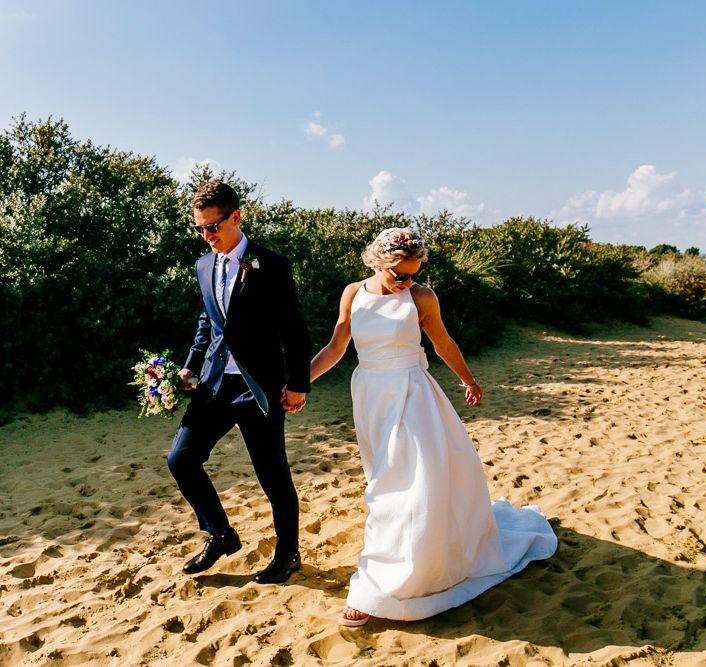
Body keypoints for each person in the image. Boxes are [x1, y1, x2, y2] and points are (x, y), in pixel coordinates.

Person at [310, 227, 558, 626]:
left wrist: (468, 380)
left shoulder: (422, 297)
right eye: (401, 274)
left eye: (415, 273)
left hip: (412, 393)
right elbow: (337, 347)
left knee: (411, 485)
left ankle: (377, 587)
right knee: (384, 481)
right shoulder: (353, 293)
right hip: (371, 394)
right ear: (379, 263)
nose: (409, 281)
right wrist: (300, 383)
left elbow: (442, 343)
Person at [168, 180, 310, 583]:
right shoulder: (202, 265)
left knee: (272, 475)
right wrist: (190, 367)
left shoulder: (272, 264)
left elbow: (294, 329)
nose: (207, 235)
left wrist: (298, 382)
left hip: (258, 387)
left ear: (236, 217)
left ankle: (288, 554)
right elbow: (206, 323)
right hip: (214, 385)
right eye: (199, 228)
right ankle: (220, 534)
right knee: (181, 459)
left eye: (213, 226)